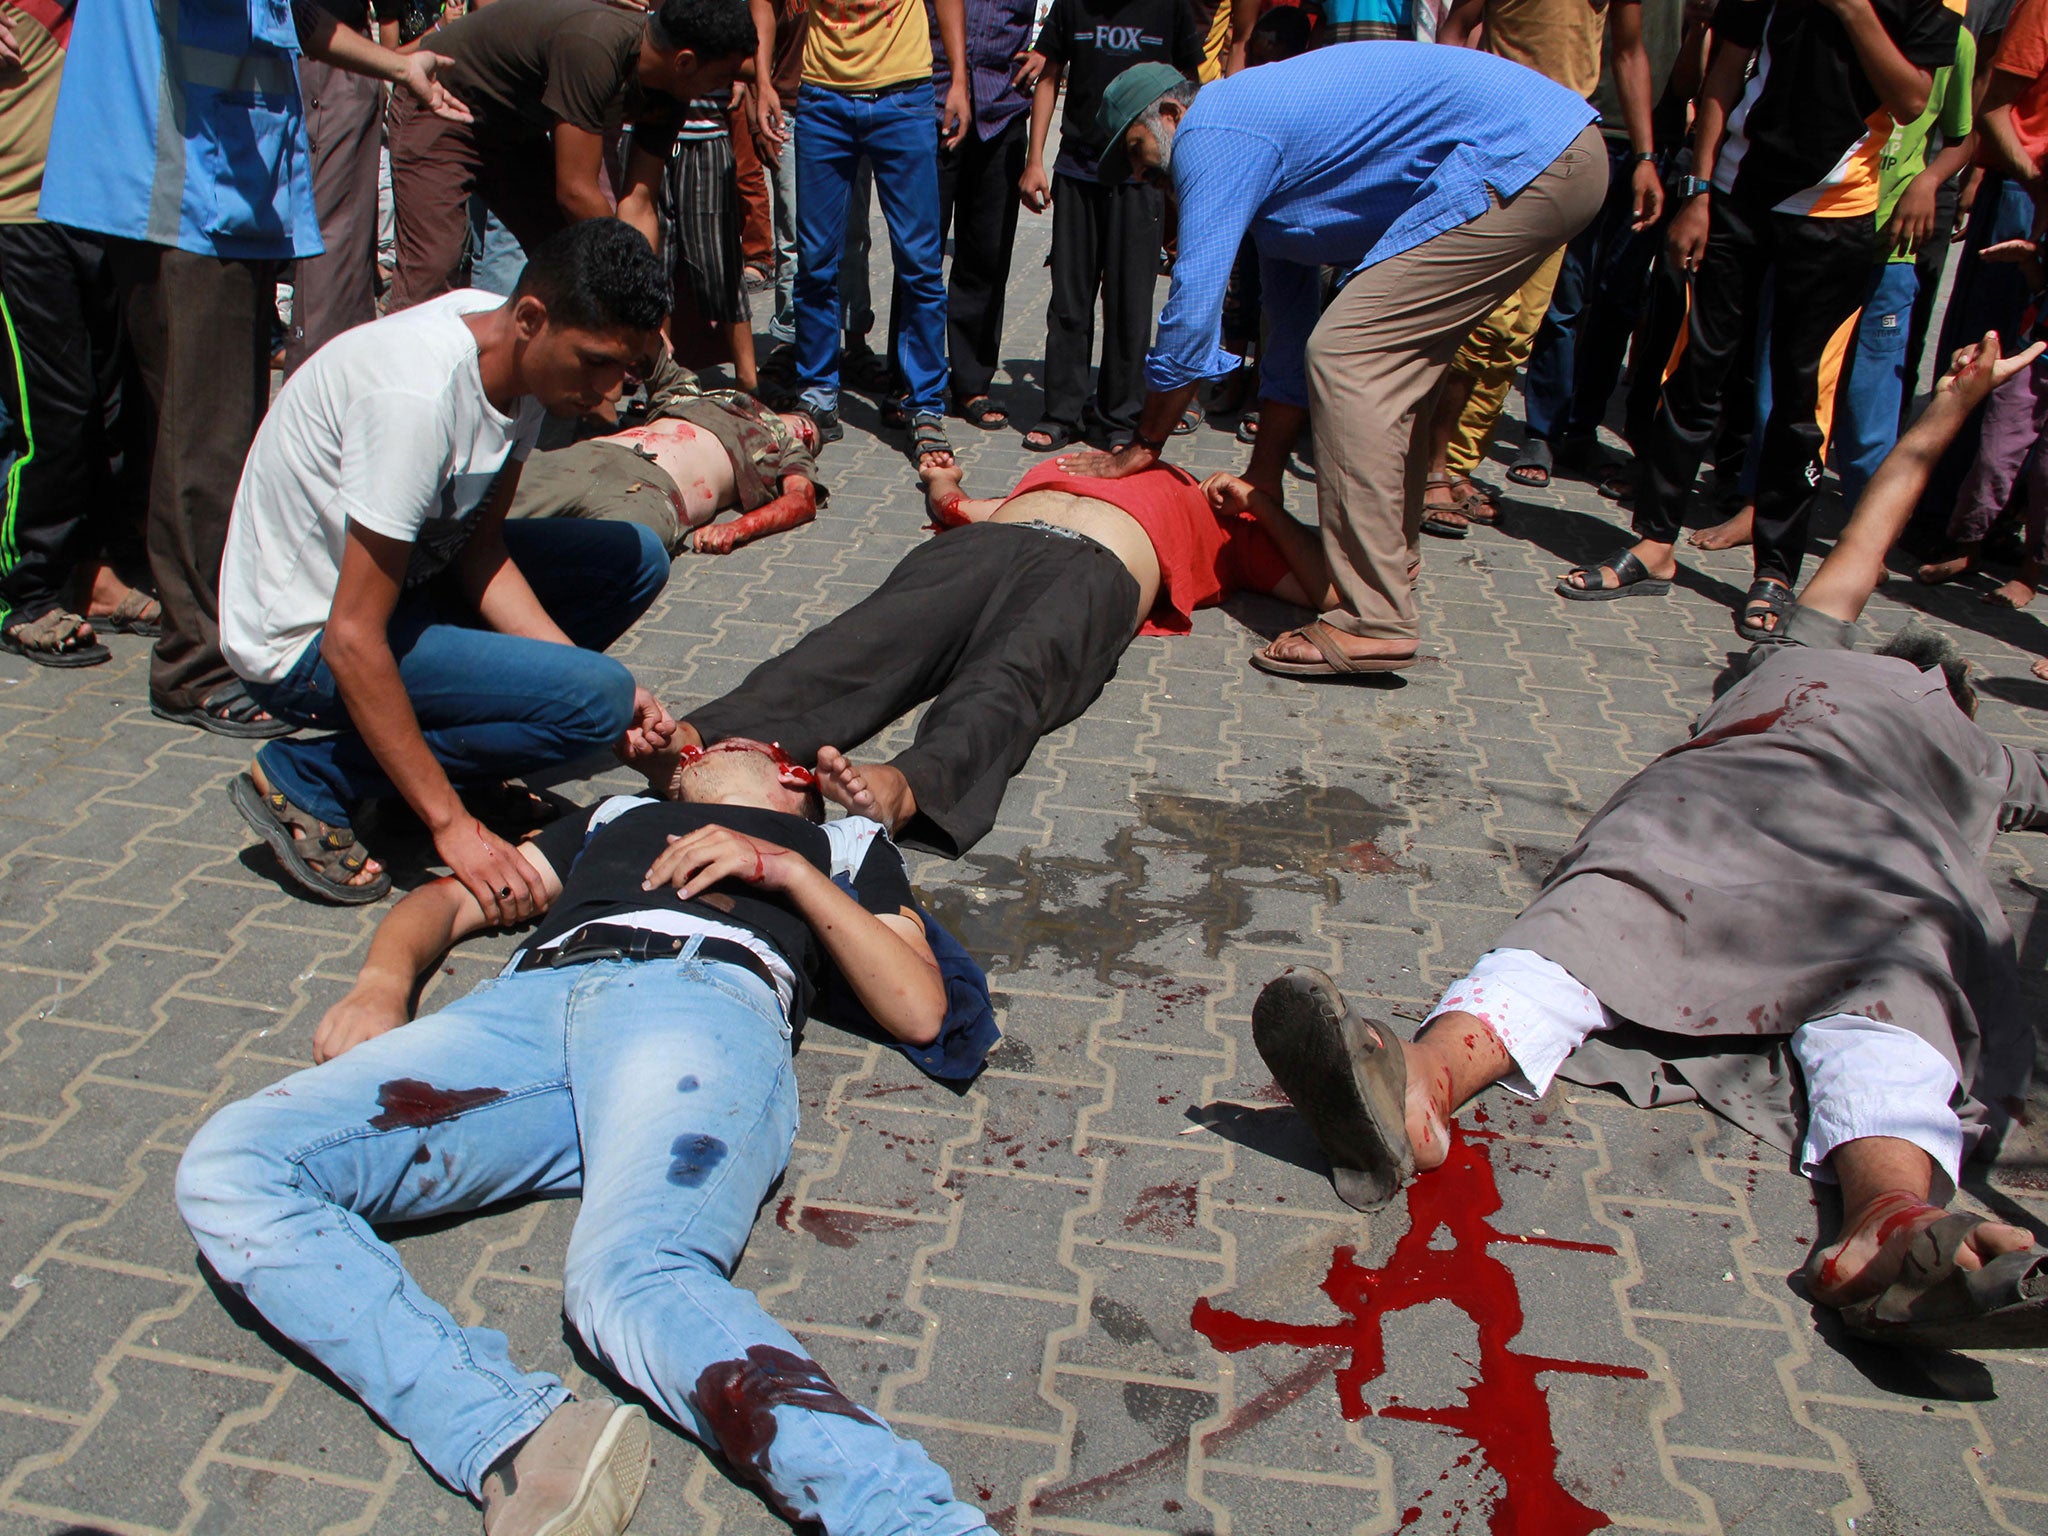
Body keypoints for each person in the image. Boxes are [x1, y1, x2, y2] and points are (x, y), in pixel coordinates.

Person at [1257, 331, 2048, 1351]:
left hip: (1753, 817)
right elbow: (1876, 525)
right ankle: (1886, 1218)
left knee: (1602, 921)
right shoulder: (1933, 722)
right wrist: (1948, 412)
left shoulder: (1896, 709)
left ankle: (1424, 1079)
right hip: (1823, 833)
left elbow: (1864, 538)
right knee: (1867, 982)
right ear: (1949, 680)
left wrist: (1947, 409)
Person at [176, 737, 1003, 1536]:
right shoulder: (615, 814)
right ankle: (514, 1439)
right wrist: (382, 985)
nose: (715, 741)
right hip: (524, 1010)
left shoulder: (841, 842)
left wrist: (783, 870)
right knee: (236, 1163)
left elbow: (918, 1006)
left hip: (703, 998)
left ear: (795, 781)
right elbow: (454, 897)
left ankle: (907, 1521)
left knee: (630, 1278)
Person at [1056, 47, 1605, 678]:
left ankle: (1374, 619)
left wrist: (1143, 444)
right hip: (1555, 155)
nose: (1139, 178)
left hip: (1529, 158)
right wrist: (1263, 478)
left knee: (1349, 355)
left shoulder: (1215, 128)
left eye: (1134, 152)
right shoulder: (1272, 175)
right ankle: (1387, 566)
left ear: (1173, 115)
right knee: (1389, 366)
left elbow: (1191, 312)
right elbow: (1287, 344)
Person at [218, 220, 677, 910]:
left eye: (626, 370)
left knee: (632, 559)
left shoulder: (517, 370)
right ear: (530, 317)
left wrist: (566, 676)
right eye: (594, 362)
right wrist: (451, 826)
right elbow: (351, 638)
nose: (610, 393)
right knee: (596, 701)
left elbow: (479, 551)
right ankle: (309, 778)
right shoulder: (416, 400)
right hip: (305, 641)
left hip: (398, 592)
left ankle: (451, 763)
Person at [36, 0, 467, 734]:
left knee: (205, 437)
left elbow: (289, 18)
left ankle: (211, 630)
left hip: (224, 190)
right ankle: (195, 664)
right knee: (204, 444)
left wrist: (398, 65)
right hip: (184, 196)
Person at [673, 451, 1336, 856]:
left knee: (1011, 677)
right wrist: (945, 482)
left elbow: (1325, 586)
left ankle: (910, 788)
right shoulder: (1069, 465)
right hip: (989, 544)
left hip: (1095, 572)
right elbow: (961, 507)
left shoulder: (1216, 517)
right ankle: (697, 738)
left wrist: (1260, 504)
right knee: (866, 639)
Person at [1559, 0, 1963, 641]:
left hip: (1837, 216)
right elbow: (1721, 79)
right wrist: (1699, 192)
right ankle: (1654, 542)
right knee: (1693, 376)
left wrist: (1856, 12)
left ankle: (1774, 571)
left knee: (1801, 402)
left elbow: (1914, 101)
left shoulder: (1921, 7)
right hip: (1735, 201)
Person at [1416, 0, 1663, 535]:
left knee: (1516, 332)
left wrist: (1645, 157)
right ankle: (1428, 471)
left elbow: (1627, 50)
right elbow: (1456, 31)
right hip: (1498, 146)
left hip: (1568, 150)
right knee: (1478, 326)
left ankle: (1457, 466)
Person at [386, 0, 756, 309]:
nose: (726, 87)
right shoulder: (594, 47)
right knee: (433, 267)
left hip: (512, 130)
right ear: (685, 61)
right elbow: (575, 191)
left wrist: (642, 289)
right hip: (438, 101)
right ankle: (399, 384)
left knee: (564, 252)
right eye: (723, 75)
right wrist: (627, 281)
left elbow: (638, 201)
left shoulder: (672, 91)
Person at [0, 0, 158, 668]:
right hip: (18, 212)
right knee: (53, 414)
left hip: (100, 203)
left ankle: (91, 574)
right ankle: (23, 594)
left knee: (113, 406)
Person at [749, 0, 970, 465]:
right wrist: (764, 80)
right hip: (823, 101)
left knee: (920, 264)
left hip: (904, 96)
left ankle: (924, 404)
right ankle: (819, 394)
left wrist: (959, 82)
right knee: (814, 261)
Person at [1016, 0, 1202, 451]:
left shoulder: (1171, 7)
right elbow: (1049, 77)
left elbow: (1189, 90)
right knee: (1069, 300)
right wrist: (1035, 159)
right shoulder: (1074, 5)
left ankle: (1121, 415)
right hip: (1079, 169)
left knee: (1130, 302)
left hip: (1139, 178)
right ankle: (1062, 410)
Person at [507, 353, 824, 554]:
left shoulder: (785, 446)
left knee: (598, 555)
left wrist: (738, 529)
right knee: (492, 507)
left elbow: (802, 501)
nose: (804, 434)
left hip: (654, 492)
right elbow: (651, 349)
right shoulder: (698, 395)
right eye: (804, 426)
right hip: (596, 455)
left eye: (811, 440)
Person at [288, 0, 389, 371]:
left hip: (335, 47)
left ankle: (339, 379)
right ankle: (321, 383)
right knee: (331, 235)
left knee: (346, 244)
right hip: (321, 48)